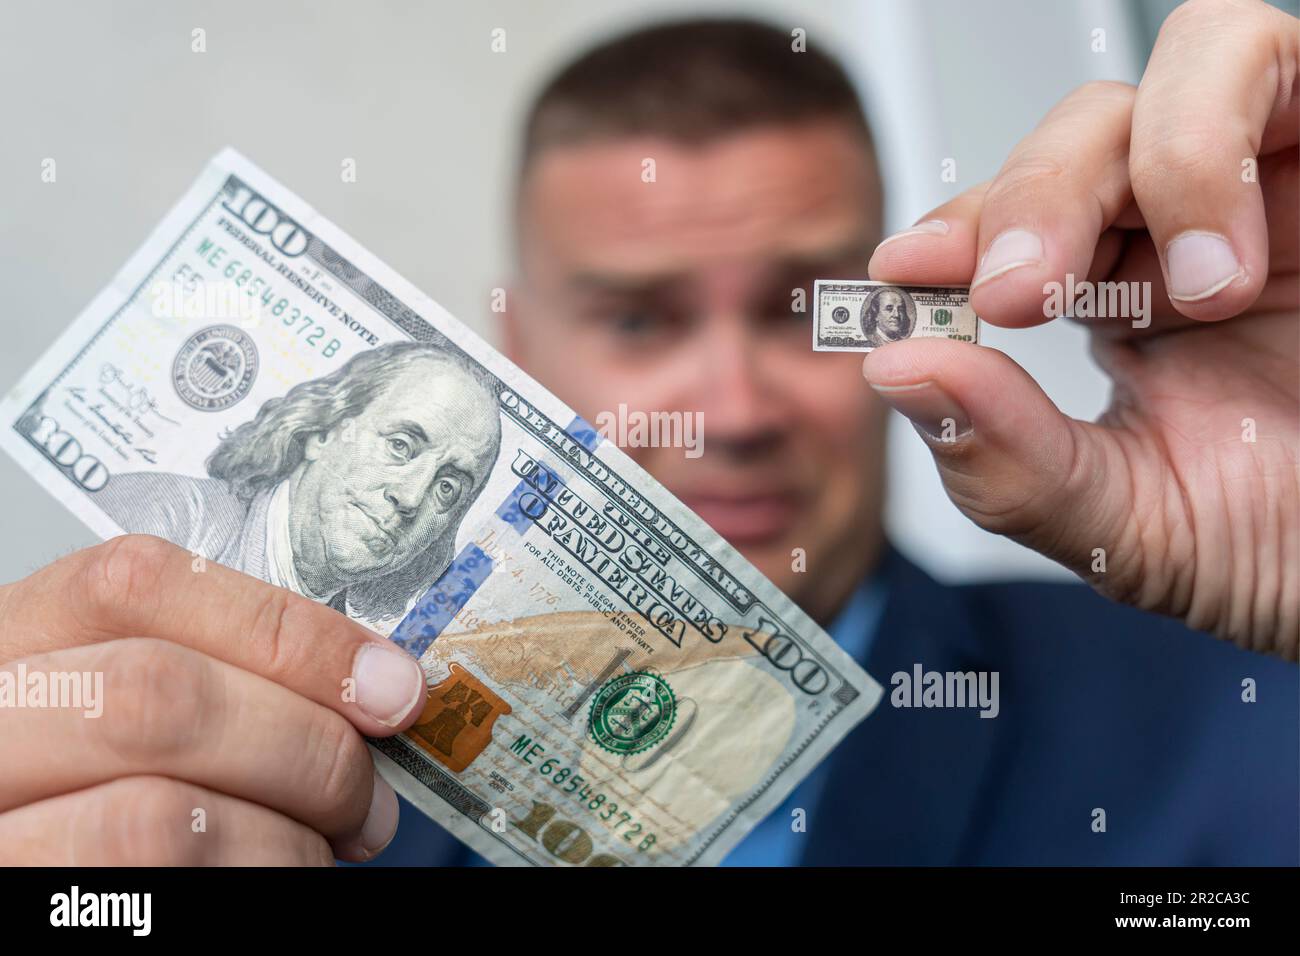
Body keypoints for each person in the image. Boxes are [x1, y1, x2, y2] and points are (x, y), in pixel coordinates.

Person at [0, 1, 1295, 865]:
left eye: (802, 310)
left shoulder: (1223, 706)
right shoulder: (262, 789)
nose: (730, 413)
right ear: (509, 364)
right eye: (636, 319)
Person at [93, 340, 502, 628]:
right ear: (322, 432)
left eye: (447, 488)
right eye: (400, 445)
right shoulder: (161, 519)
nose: (411, 497)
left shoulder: (342, 661)